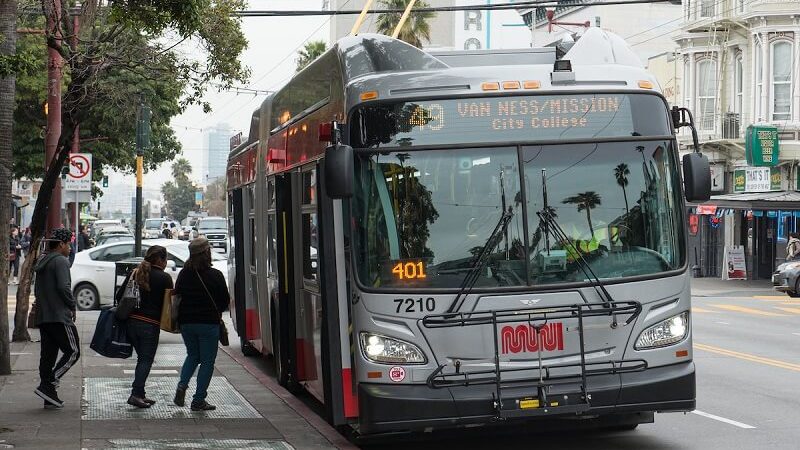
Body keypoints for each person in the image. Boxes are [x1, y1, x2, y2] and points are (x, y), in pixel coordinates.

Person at [173, 236, 229, 411]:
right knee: (207, 362)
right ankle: (198, 400)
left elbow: (177, 295)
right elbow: (224, 301)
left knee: (192, 356)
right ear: (207, 253)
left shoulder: (183, 274)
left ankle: (182, 385)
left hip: (186, 323)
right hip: (208, 324)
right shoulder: (215, 275)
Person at [117, 245, 173, 408]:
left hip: (131, 322)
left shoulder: (135, 273)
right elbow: (169, 305)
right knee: (145, 360)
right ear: (160, 260)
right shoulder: (165, 278)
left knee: (143, 359)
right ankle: (135, 394)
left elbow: (119, 296)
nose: (166, 262)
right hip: (150, 325)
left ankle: (140, 393)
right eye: (165, 259)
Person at [33, 228, 79, 409]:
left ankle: (49, 397)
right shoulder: (61, 261)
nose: (70, 248)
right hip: (59, 316)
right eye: (69, 244)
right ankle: (49, 383)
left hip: (44, 316)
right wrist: (72, 305)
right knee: (73, 351)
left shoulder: (43, 260)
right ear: (61, 244)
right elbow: (63, 287)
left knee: (48, 356)